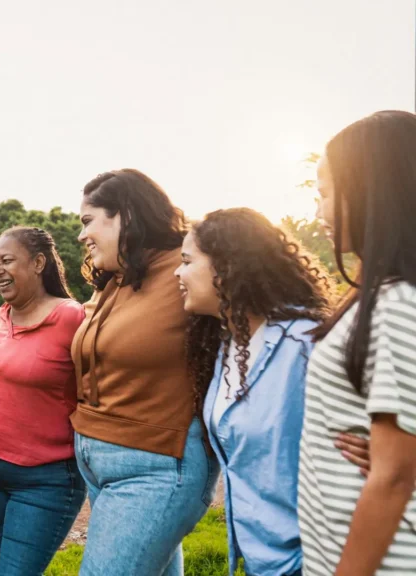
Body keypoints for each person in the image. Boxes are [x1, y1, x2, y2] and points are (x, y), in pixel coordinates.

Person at [71, 169, 218, 576]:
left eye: (88, 221)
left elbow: (256, 327)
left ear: (126, 215)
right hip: (98, 463)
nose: (82, 235)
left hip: (156, 468)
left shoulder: (186, 271)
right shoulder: (116, 277)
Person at [175, 208, 331, 576]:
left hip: (312, 561)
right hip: (258, 561)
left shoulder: (305, 345)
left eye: (186, 261)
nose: (176, 273)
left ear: (226, 267)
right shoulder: (227, 346)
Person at [298, 110, 416, 575]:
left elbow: (393, 477)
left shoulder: (400, 302)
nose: (319, 212)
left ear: (373, 191)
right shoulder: (374, 294)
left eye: (325, 193)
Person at [0, 226, 86, 575]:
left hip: (46, 478)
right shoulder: (4, 316)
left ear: (38, 263)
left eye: (7, 260)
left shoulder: (72, 317)